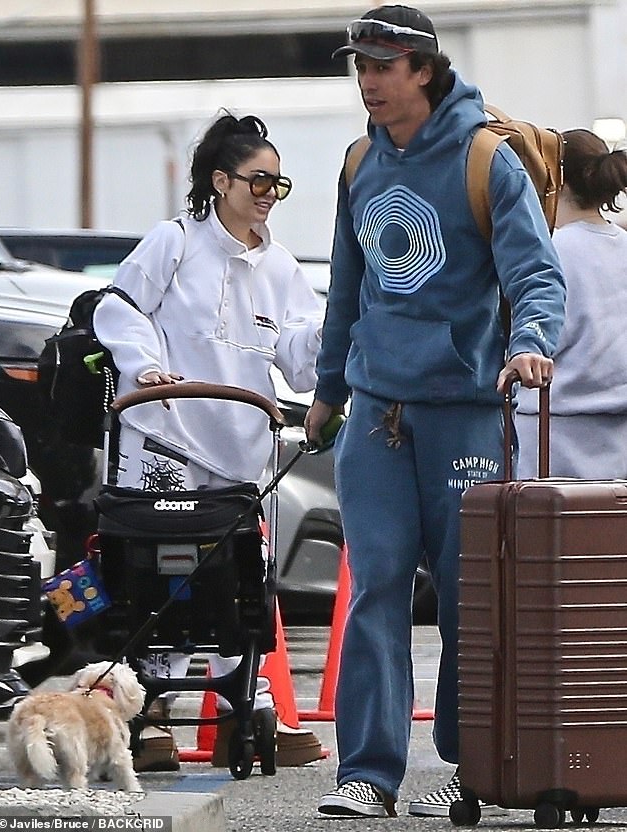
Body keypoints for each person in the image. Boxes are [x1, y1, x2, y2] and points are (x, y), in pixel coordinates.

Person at [304, 5, 566, 818]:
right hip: (378, 412)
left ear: (423, 69)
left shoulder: (487, 160)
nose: (367, 82)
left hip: (463, 411)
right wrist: (326, 391)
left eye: (382, 66)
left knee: (467, 599)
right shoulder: (357, 164)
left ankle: (470, 765)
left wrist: (529, 341)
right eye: (359, 66)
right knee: (375, 587)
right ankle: (369, 775)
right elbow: (347, 290)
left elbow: (538, 276)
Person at [93, 111, 324, 771]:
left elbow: (301, 353)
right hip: (162, 438)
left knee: (232, 585)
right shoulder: (174, 241)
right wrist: (144, 366)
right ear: (220, 181)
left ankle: (240, 709)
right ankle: (149, 716)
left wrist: (336, 332)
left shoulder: (279, 265)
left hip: (238, 449)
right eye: (257, 180)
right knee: (152, 577)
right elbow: (119, 307)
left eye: (278, 184)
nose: (267, 194)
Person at [516, 129, 627, 478]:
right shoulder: (622, 245)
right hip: (618, 439)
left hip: (550, 436)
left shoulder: (548, 251)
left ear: (552, 178)